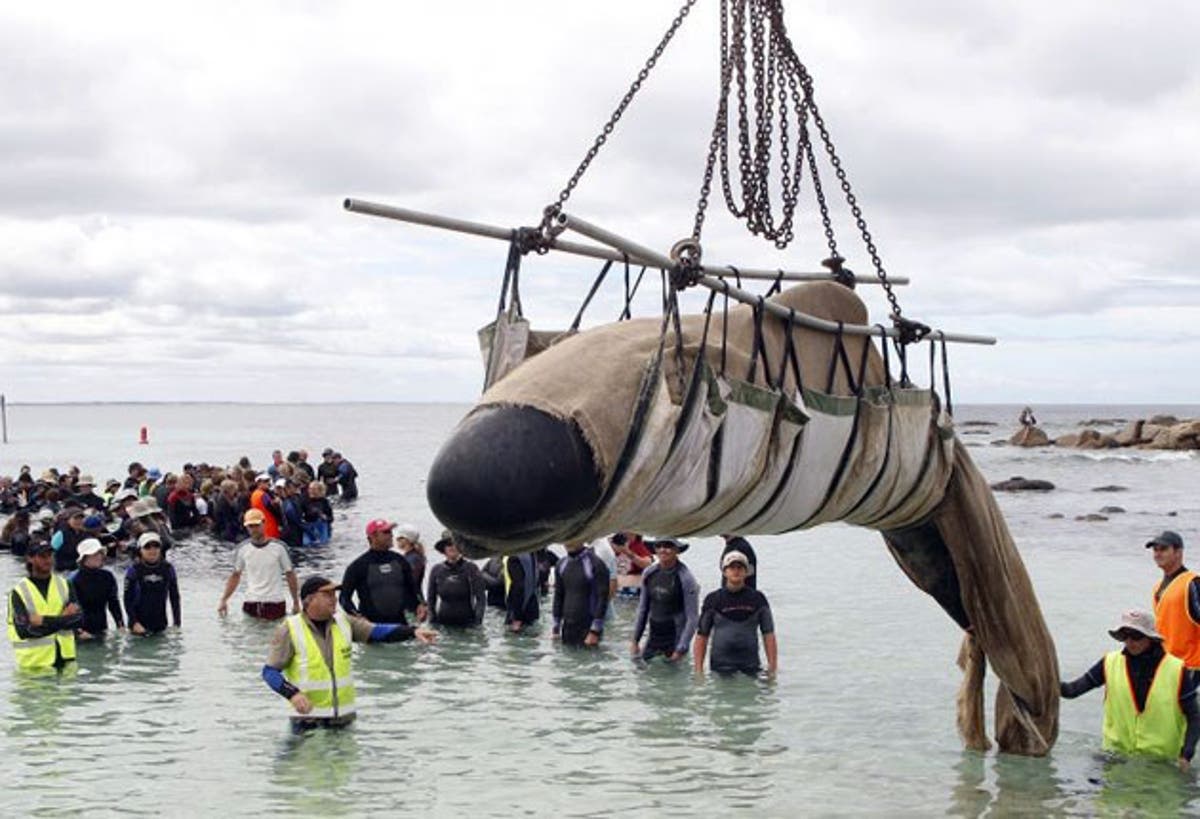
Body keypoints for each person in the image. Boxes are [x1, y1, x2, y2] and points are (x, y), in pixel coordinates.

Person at [261, 575, 436, 731]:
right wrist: (292, 694)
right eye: (327, 594)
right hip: (307, 721)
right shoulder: (290, 629)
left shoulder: (344, 621)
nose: (334, 599)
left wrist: (412, 631)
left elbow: (377, 632)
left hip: (343, 719)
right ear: (310, 600)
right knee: (296, 766)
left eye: (334, 594)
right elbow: (269, 672)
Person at [1060, 609, 1199, 770]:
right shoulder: (1109, 663)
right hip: (1114, 757)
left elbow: (1194, 717)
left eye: (1136, 636)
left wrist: (1186, 755)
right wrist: (1038, 679)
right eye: (1124, 636)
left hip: (1162, 763)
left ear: (1151, 638)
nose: (1130, 642)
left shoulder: (1176, 669)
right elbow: (1071, 691)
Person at [693, 551, 777, 676]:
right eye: (732, 567)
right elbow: (702, 636)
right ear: (724, 571)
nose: (736, 571)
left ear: (746, 572)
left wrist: (772, 668)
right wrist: (698, 671)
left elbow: (768, 634)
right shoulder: (713, 599)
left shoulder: (758, 598)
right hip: (720, 667)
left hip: (751, 666)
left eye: (740, 568)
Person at [7, 541, 81, 671]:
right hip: (34, 666)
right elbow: (25, 631)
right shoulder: (19, 592)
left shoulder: (64, 584)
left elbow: (79, 620)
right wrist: (63, 619)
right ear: (30, 558)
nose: (48, 560)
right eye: (42, 556)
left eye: (50, 555)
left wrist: (43, 621)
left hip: (67, 662)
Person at [340, 519, 427, 625]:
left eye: (390, 532)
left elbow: (412, 590)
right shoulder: (358, 566)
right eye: (385, 532)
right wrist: (358, 617)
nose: (391, 536)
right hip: (373, 629)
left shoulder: (400, 561)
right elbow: (344, 599)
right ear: (373, 537)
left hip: (400, 627)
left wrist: (420, 606)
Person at [217, 509, 299, 620]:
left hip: (275, 602)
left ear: (264, 524)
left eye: (256, 525)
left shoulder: (279, 548)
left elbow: (290, 574)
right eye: (250, 526)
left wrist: (296, 602)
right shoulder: (242, 549)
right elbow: (235, 575)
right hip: (251, 602)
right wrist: (224, 600)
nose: (254, 529)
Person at [630, 539, 700, 663]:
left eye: (668, 546)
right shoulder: (649, 573)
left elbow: (692, 618)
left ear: (676, 550)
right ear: (655, 550)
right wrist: (635, 640)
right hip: (654, 635)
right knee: (639, 669)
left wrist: (681, 649)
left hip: (675, 637)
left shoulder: (686, 578)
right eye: (659, 546)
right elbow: (643, 609)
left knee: (673, 679)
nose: (663, 549)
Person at [1148, 530, 1200, 668]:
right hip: (1169, 666)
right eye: (1155, 549)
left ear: (1178, 552)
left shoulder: (1193, 583)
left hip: (1192, 666)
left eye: (1163, 549)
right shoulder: (1157, 587)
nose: (1157, 553)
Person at [552, 540, 610, 647]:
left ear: (582, 539)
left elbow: (602, 597)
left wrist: (595, 631)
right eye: (566, 538)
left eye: (573, 538)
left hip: (588, 627)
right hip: (568, 627)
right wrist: (556, 627)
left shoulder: (595, 564)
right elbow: (559, 595)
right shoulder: (561, 564)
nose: (569, 542)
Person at [124, 532, 181, 635]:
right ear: (140, 550)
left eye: (156, 546)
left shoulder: (168, 568)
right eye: (147, 547)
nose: (152, 550)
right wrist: (134, 622)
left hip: (161, 624)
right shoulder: (134, 570)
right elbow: (127, 599)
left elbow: (175, 596)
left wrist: (177, 623)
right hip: (138, 627)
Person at [426, 532, 486, 627]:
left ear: (461, 548)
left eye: (455, 544)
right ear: (444, 549)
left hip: (467, 624)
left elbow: (481, 599)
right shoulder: (436, 570)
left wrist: (477, 622)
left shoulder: (471, 568)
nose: (452, 547)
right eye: (448, 544)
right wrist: (432, 620)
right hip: (443, 623)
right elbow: (431, 599)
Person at [70, 538, 124, 639]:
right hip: (81, 632)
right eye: (94, 554)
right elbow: (70, 609)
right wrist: (78, 631)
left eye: (100, 553)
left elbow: (113, 603)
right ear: (84, 558)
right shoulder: (74, 580)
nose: (98, 557)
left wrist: (120, 625)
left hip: (101, 629)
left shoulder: (107, 577)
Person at [503, 552, 540, 632]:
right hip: (532, 608)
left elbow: (518, 587)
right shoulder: (532, 554)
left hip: (519, 612)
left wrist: (516, 617)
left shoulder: (514, 558)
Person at [248, 473, 283, 540]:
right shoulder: (263, 495)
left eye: (268, 481)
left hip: (261, 526)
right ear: (258, 483)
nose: (268, 483)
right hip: (270, 526)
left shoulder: (254, 494)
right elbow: (272, 509)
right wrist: (276, 504)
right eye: (265, 481)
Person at [395, 524, 427, 589]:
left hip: (412, 596)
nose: (397, 540)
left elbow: (411, 580)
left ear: (408, 540)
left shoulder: (414, 558)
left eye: (400, 538)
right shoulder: (409, 556)